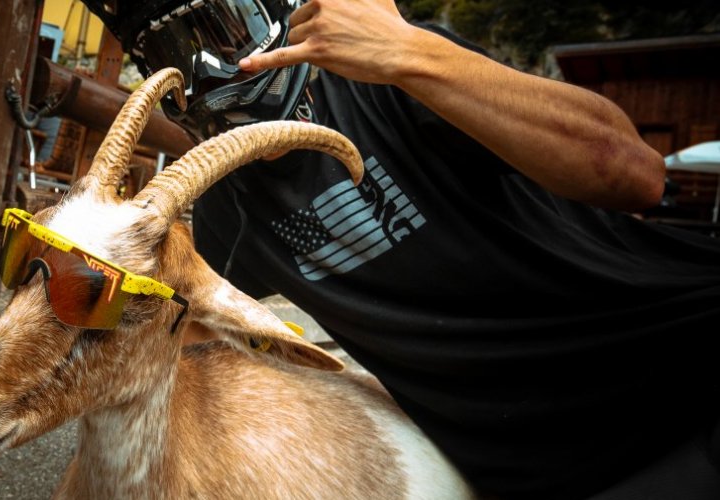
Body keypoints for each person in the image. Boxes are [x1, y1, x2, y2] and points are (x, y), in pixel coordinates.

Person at [80, 1, 720, 498]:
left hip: (681, 372)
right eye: (167, 50)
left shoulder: (391, 78)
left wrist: (411, 51)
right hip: (542, 469)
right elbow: (158, 333)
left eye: (213, 31)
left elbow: (637, 173)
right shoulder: (231, 205)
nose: (203, 69)